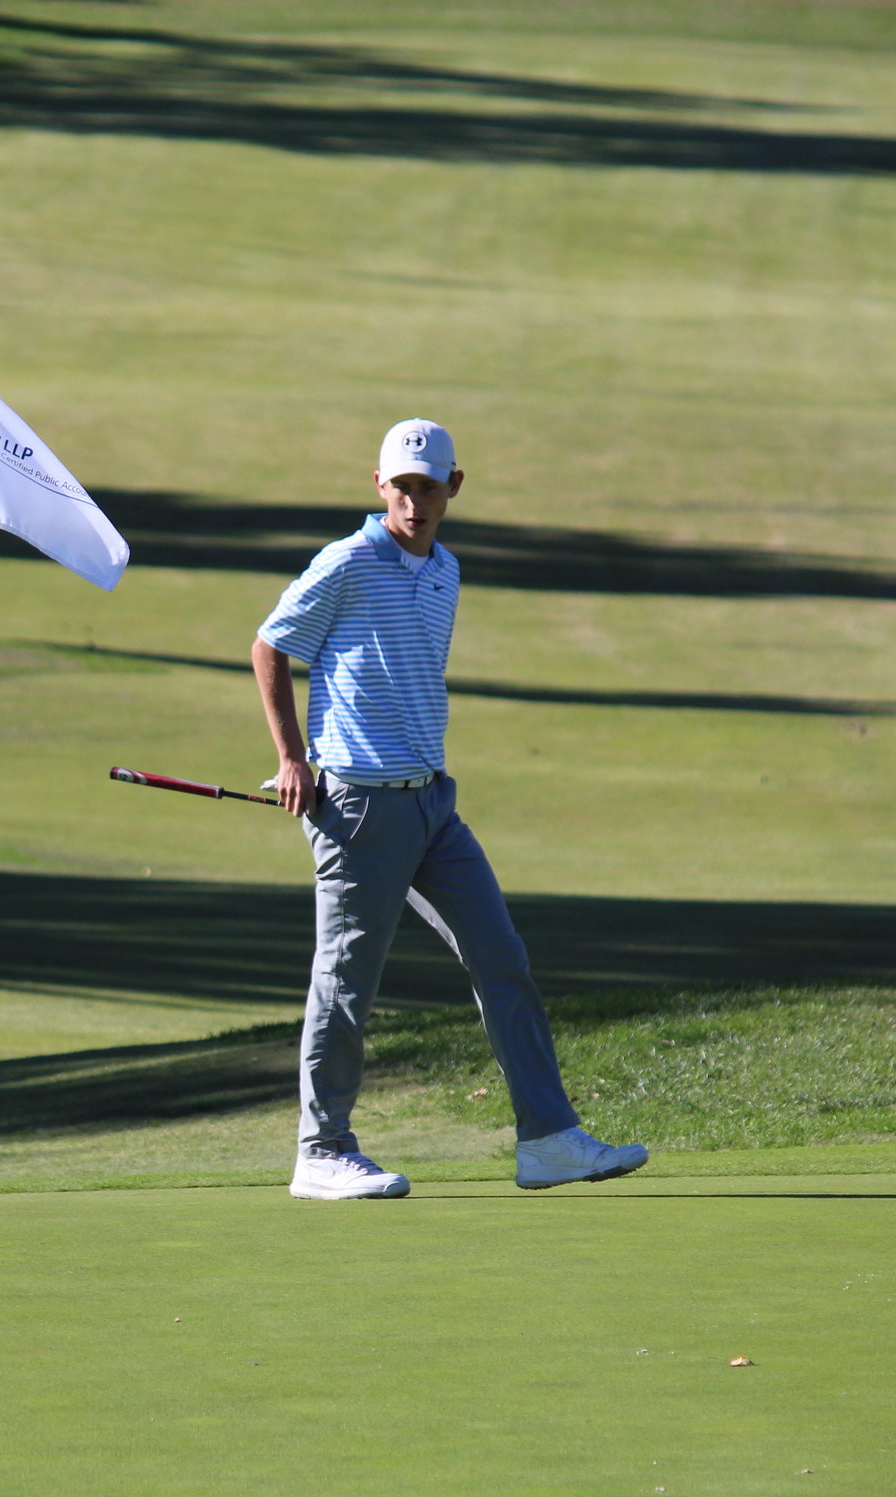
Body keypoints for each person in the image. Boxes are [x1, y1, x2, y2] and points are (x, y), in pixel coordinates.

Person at [252, 418, 648, 1200]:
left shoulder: (445, 570)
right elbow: (271, 645)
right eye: (400, 486)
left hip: (434, 803)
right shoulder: (348, 560)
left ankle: (548, 1139)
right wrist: (293, 758)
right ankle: (321, 1149)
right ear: (380, 486)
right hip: (359, 807)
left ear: (452, 487)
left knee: (501, 956)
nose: (413, 501)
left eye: (427, 487)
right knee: (347, 981)